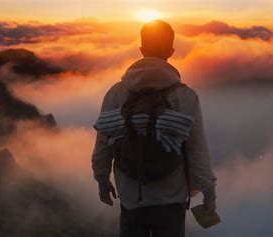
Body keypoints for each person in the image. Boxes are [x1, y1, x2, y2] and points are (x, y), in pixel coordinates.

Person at [92, 20, 217, 237]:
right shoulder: (185, 96)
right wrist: (209, 194)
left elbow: (104, 141)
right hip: (172, 199)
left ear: (141, 50)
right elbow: (197, 150)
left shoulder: (115, 93)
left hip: (131, 196)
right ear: (171, 51)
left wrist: (102, 180)